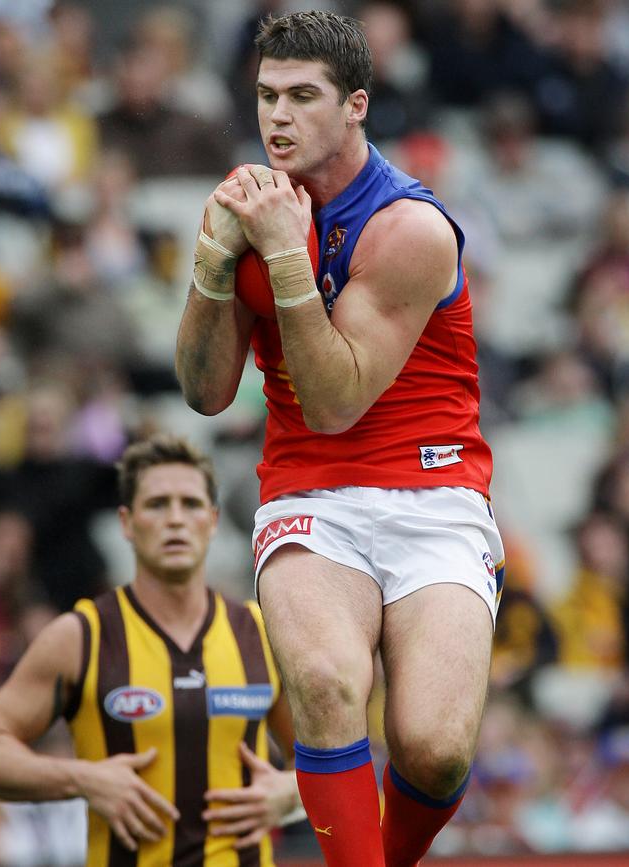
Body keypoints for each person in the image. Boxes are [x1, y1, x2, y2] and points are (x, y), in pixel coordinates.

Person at [176, 10, 505, 866]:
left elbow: (334, 401)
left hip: (434, 492)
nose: (277, 117)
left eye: (302, 97)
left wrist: (284, 258)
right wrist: (211, 270)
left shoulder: (409, 229)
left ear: (356, 104)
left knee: (434, 746)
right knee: (326, 685)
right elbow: (206, 392)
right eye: (265, 96)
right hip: (309, 491)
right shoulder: (252, 204)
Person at [0, 433, 302, 866]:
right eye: (157, 504)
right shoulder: (82, 635)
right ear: (127, 523)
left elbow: (331, 757)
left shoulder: (260, 632)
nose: (175, 519)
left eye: (189, 504)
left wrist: (292, 792)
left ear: (211, 520)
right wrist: (82, 779)